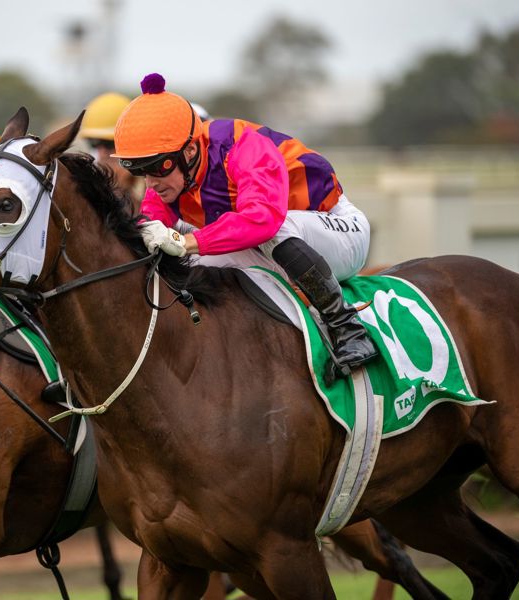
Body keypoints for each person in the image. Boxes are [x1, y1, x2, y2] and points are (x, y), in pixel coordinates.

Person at [113, 73, 378, 375]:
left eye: (156, 168)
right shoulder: (170, 178)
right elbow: (150, 227)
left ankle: (347, 327)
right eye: (141, 171)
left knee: (271, 230)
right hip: (275, 249)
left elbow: (262, 220)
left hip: (339, 230)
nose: (150, 183)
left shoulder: (243, 147)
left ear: (189, 151)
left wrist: (185, 241)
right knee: (191, 264)